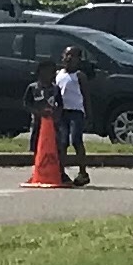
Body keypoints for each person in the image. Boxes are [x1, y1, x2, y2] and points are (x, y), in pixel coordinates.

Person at [54, 44, 92, 187]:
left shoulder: (79, 76)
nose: (69, 58)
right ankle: (61, 172)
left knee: (76, 140)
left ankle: (83, 172)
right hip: (62, 112)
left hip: (76, 112)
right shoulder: (59, 74)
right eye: (66, 55)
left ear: (79, 59)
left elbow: (86, 96)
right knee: (62, 143)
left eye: (73, 56)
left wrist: (89, 115)